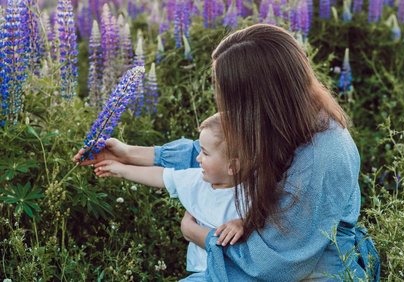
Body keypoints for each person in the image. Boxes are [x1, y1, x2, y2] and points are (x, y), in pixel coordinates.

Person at [75, 24, 379, 281]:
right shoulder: (289, 120)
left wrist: (198, 235)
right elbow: (217, 152)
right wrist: (126, 153)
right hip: (268, 259)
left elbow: (275, 263)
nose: (225, 108)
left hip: (312, 272)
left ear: (262, 97)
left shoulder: (322, 156)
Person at [88, 113, 246, 281]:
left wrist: (243, 222)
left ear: (232, 166)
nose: (198, 158)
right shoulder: (196, 180)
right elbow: (162, 176)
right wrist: (121, 169)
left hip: (237, 274)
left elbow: (265, 218)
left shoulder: (252, 192)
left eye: (205, 153)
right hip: (203, 273)